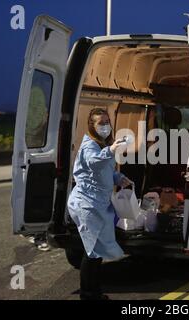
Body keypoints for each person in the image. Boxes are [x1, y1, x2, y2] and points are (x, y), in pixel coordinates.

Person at [67, 108, 132, 300]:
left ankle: (94, 292)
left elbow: (103, 172)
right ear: (92, 126)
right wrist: (111, 150)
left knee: (97, 251)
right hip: (86, 204)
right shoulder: (90, 146)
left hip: (97, 203)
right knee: (93, 252)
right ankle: (89, 294)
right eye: (100, 123)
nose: (105, 126)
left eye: (107, 122)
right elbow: (94, 163)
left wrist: (119, 178)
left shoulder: (103, 144)